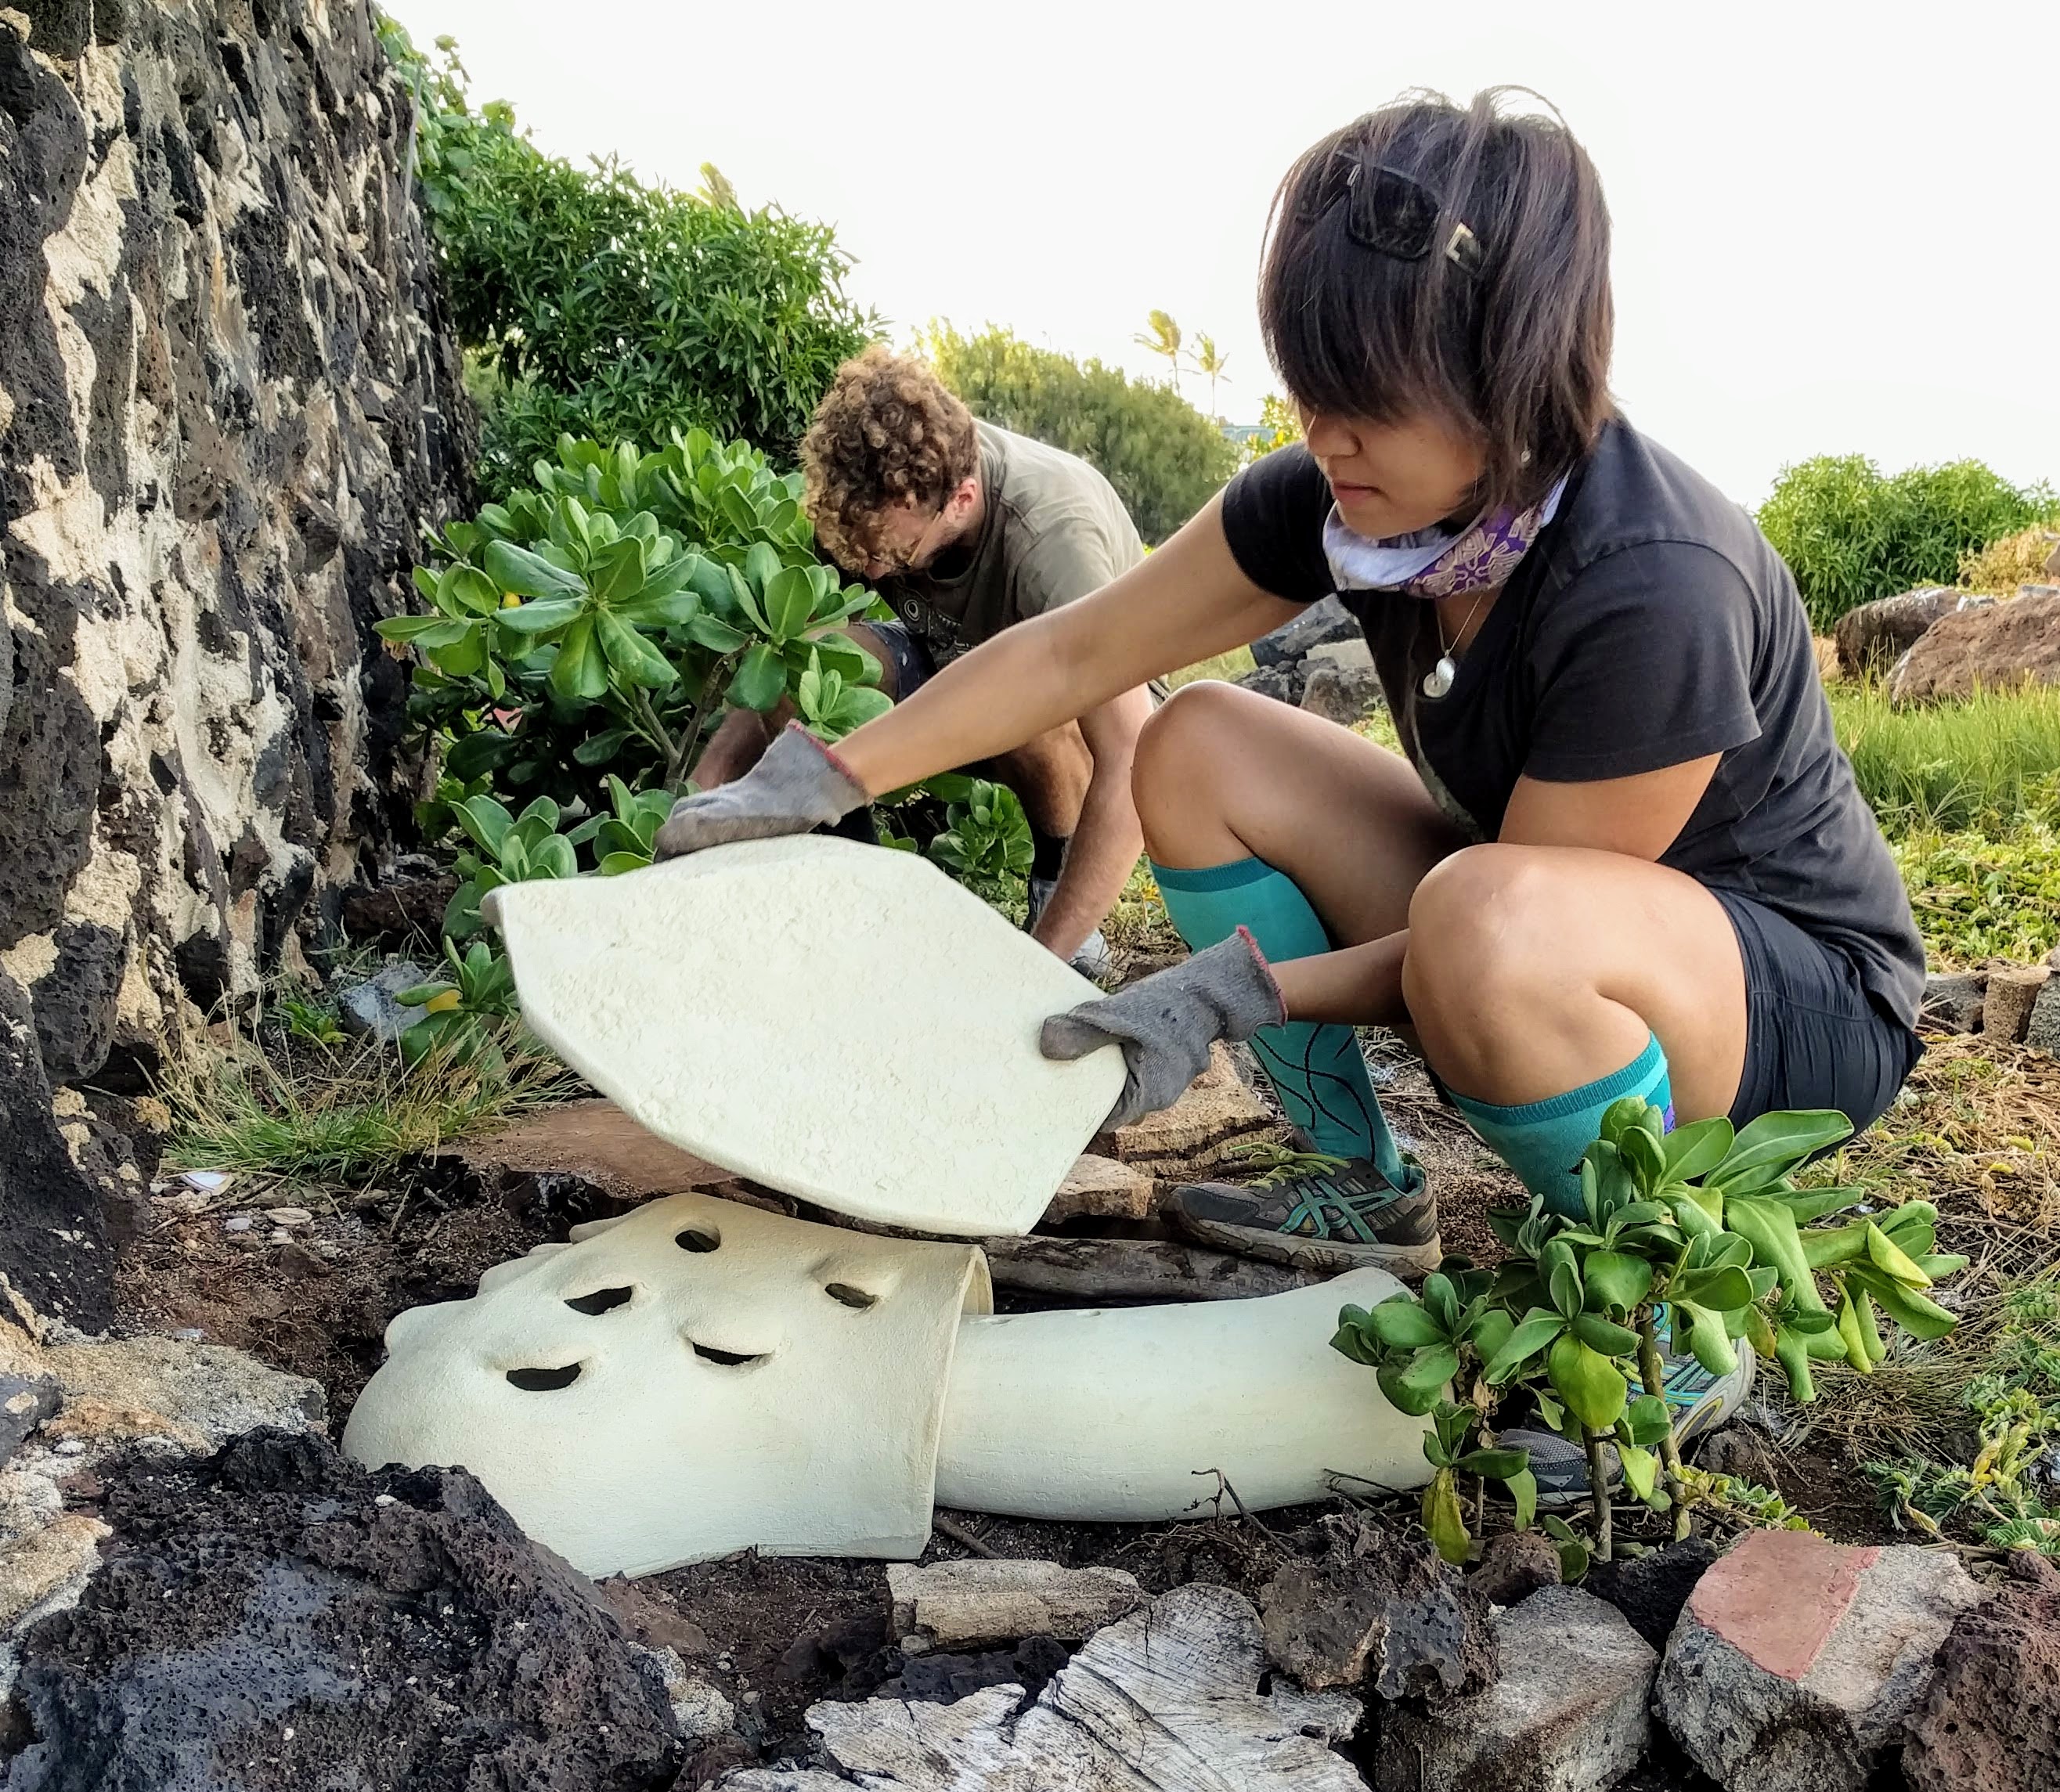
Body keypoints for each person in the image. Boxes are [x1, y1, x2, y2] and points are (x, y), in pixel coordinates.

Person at [655, 90, 1925, 1466]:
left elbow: (1499, 927)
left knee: (1486, 924)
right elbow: (1077, 649)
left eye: (1366, 398)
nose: (1326, 434)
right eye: (1309, 389)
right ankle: (1358, 1181)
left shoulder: (1653, 580)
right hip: (1543, 921)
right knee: (1198, 739)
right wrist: (814, 775)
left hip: (1788, 999)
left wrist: (1230, 991)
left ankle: (1663, 1300)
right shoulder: (1349, 507)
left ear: (1511, 369)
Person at [690, 345, 1156, 975]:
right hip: (950, 659)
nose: (871, 569)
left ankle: (1055, 889)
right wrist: (705, 788)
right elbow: (787, 645)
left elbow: (1130, 753)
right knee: (808, 661)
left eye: (888, 553)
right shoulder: (871, 502)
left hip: (1073, 696)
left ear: (961, 501)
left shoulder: (1053, 542)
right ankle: (860, 894)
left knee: (1022, 691)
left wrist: (1038, 968)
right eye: (858, 551)